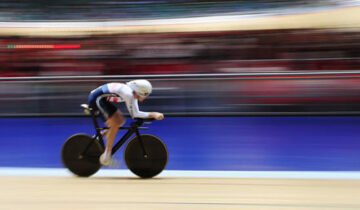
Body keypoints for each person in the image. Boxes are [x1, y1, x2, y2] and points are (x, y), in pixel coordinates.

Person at [87, 79, 164, 166]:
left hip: (102, 99)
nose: (145, 97)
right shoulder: (128, 93)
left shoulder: (133, 92)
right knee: (115, 123)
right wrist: (154, 114)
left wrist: (151, 115)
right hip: (96, 99)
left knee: (120, 120)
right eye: (145, 94)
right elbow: (135, 114)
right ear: (138, 91)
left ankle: (99, 137)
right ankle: (106, 155)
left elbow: (136, 112)